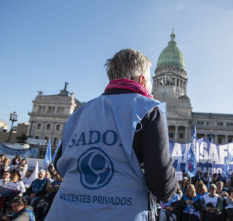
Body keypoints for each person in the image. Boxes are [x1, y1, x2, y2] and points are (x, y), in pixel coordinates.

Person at [46, 48, 177, 221]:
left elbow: (59, 163)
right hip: (120, 213)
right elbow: (162, 184)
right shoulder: (147, 109)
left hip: (64, 212)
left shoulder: (79, 113)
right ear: (142, 79)